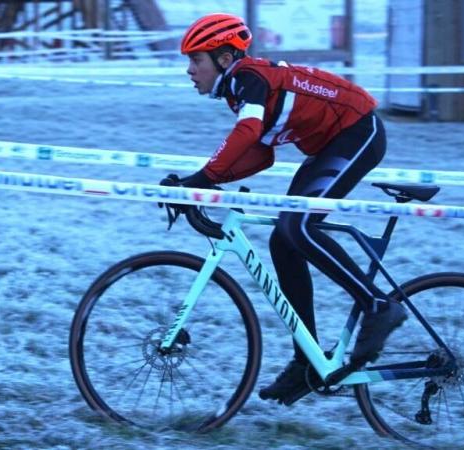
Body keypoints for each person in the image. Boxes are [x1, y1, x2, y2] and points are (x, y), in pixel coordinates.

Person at [170, 13, 407, 405]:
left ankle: (378, 305)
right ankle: (307, 362)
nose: (189, 70)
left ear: (225, 59)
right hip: (332, 144)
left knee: (298, 227)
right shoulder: (239, 90)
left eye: (196, 60)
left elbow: (247, 135)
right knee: (284, 240)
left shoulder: (249, 77)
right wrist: (202, 182)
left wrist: (203, 178)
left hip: (358, 131)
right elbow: (259, 156)